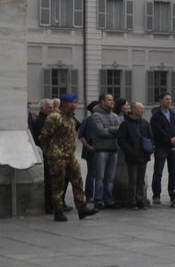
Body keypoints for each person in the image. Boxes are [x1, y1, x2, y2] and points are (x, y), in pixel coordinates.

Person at [38, 92, 97, 222]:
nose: (75, 105)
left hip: (70, 156)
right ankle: (58, 211)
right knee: (58, 185)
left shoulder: (70, 118)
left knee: (78, 181)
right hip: (57, 156)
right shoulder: (55, 117)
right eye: (73, 102)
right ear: (66, 103)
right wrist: (50, 152)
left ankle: (82, 208)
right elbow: (44, 137)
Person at [84, 94, 121, 208]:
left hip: (113, 149)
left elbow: (120, 130)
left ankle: (108, 199)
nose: (112, 102)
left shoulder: (115, 116)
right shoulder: (96, 116)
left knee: (110, 178)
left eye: (112, 100)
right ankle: (98, 200)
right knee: (99, 177)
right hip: (101, 150)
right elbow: (101, 132)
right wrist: (113, 130)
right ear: (102, 101)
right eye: (109, 100)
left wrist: (109, 129)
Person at [149, 94, 175, 208]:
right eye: (166, 99)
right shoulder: (156, 116)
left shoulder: (174, 114)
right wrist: (170, 139)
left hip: (174, 146)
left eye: (170, 99)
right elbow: (157, 131)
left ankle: (173, 194)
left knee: (173, 171)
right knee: (158, 171)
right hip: (161, 146)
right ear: (161, 101)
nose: (169, 101)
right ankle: (156, 195)